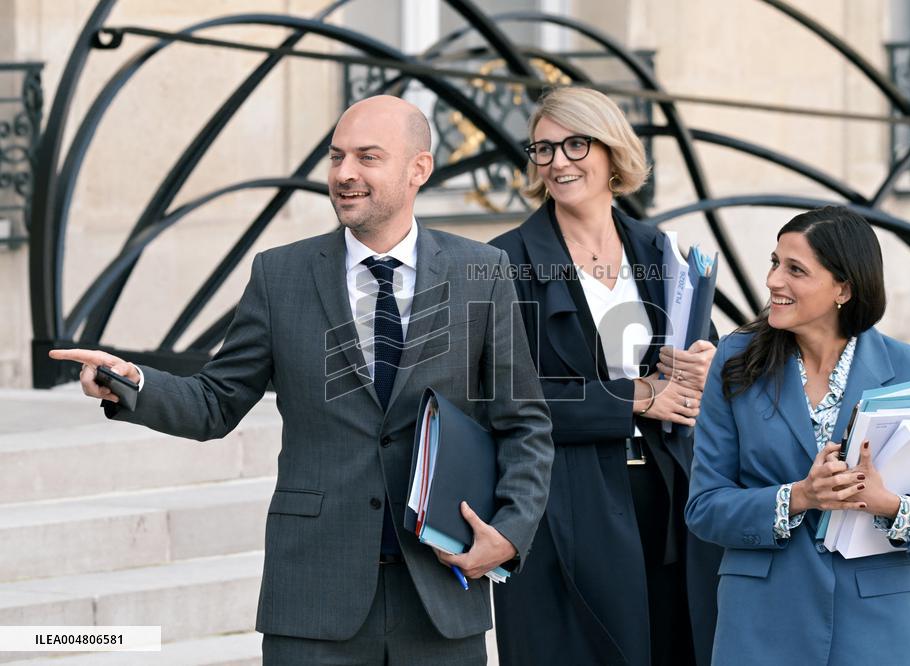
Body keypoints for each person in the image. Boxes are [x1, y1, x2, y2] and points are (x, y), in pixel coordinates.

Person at [50, 95, 555, 666]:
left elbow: (525, 423)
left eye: (367, 157)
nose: (344, 173)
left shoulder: (480, 273)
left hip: (441, 597)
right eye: (336, 156)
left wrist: (509, 532)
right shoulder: (280, 274)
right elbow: (216, 402)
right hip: (313, 598)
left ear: (419, 168)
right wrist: (133, 382)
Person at [685, 206, 910, 665]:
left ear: (843, 288)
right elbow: (704, 508)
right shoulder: (735, 360)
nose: (772, 280)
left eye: (795, 270)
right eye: (774, 262)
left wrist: (889, 504)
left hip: (870, 631)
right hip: (761, 624)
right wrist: (799, 497)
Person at [490, 86, 722, 666]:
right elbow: (499, 398)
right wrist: (634, 398)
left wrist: (705, 362)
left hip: (668, 496)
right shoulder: (504, 261)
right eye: (544, 149)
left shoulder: (657, 248)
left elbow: (703, 346)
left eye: (576, 144)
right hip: (563, 504)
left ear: (612, 150)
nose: (557, 162)